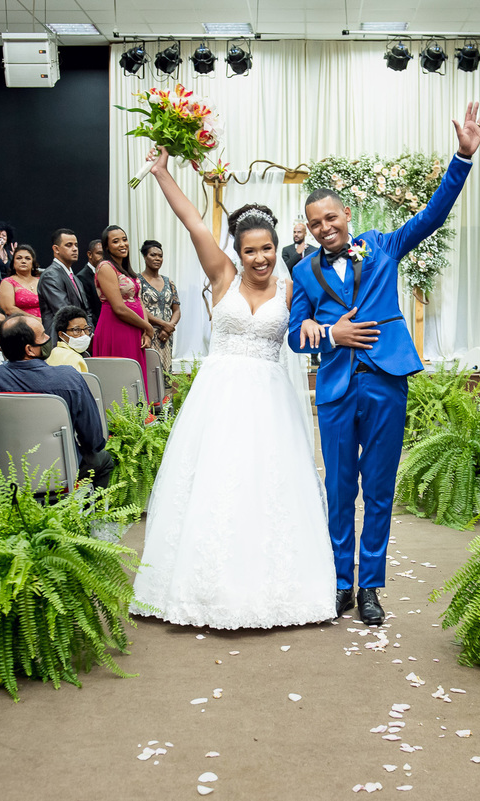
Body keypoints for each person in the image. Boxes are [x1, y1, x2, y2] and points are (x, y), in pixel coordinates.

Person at [290, 101, 480, 625]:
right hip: (334, 390)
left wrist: (462, 160)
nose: (324, 227)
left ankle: (372, 587)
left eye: (330, 217)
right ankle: (340, 582)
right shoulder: (306, 274)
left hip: (385, 382)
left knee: (378, 489)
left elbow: (433, 215)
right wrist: (327, 334)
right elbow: (296, 336)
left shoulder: (382, 246)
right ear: (309, 230)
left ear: (347, 215)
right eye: (315, 223)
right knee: (339, 490)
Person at [133, 145, 335, 629]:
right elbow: (192, 222)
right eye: (251, 250)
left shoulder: (292, 286)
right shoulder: (222, 276)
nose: (261, 257)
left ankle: (272, 588)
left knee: (267, 485)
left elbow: (318, 318)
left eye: (267, 249)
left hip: (268, 397)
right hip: (219, 395)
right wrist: (162, 173)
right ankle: (205, 588)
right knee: (215, 482)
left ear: (276, 248)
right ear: (238, 253)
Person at [0, 314, 114, 490]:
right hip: (60, 472)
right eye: (43, 335)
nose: (49, 338)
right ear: (30, 349)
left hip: (2, 473)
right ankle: (88, 512)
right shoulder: (69, 378)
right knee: (104, 461)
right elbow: (93, 440)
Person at [92, 225, 153, 403]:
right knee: (122, 380)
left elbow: (138, 301)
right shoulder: (105, 267)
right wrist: (148, 327)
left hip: (134, 329)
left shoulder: (126, 269)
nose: (122, 244)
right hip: (116, 328)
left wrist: (144, 330)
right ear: (106, 246)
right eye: (115, 241)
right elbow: (118, 308)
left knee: (135, 376)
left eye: (124, 239)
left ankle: (139, 420)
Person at [38, 228, 90, 340]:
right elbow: (65, 312)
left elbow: (87, 310)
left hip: (77, 337)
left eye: (76, 245)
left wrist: (89, 333)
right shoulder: (50, 275)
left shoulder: (75, 278)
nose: (75, 249)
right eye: (69, 245)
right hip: (59, 341)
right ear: (56, 249)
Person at [138, 239, 181, 374]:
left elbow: (177, 310)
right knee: (151, 373)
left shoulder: (169, 282)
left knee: (166, 373)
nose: (157, 258)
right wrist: (164, 324)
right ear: (145, 257)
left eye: (160, 256)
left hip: (166, 336)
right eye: (153, 255)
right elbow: (140, 309)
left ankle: (167, 396)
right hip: (148, 334)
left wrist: (168, 328)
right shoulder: (138, 281)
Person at [0, 244, 42, 318]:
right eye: (19, 258)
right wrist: (36, 320)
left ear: (33, 263)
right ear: (13, 263)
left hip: (48, 324)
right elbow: (9, 309)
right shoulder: (8, 282)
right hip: (21, 325)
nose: (23, 261)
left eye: (27, 258)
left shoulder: (41, 281)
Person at [46, 304, 91, 373]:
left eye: (86, 329)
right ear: (61, 334)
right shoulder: (73, 358)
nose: (83, 334)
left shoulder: (53, 352)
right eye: (76, 330)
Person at [76, 237, 105, 323]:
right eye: (99, 253)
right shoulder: (82, 277)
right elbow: (88, 309)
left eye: (105, 254)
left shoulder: (107, 273)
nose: (102, 258)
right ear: (90, 254)